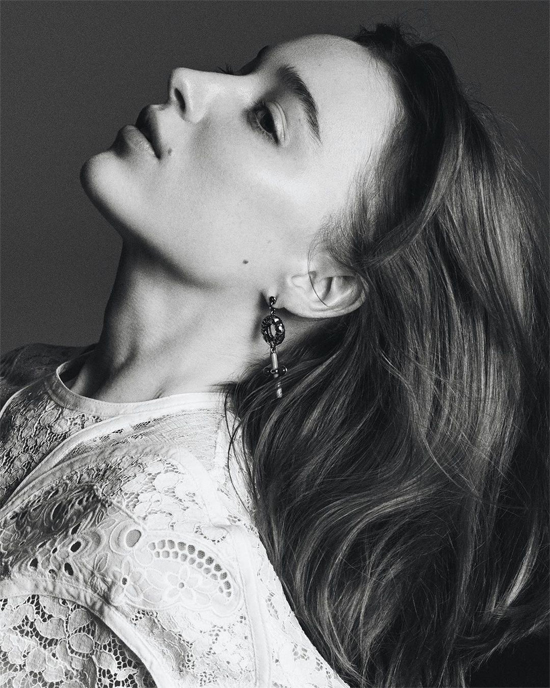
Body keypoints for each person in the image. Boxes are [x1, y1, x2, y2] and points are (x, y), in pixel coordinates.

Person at [0, 22, 547, 688]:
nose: (188, 81)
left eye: (267, 121)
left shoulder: (168, 569)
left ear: (321, 282)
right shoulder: (28, 378)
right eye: (240, 70)